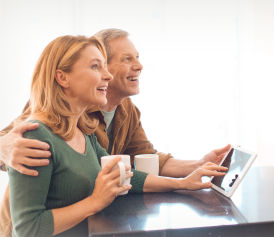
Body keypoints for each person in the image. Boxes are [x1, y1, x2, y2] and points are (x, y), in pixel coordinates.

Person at [0, 29, 230, 236]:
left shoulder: (95, 122)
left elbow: (138, 162)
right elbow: (28, 226)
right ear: (63, 77)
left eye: (137, 58)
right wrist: (3, 146)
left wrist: (187, 176)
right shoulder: (44, 125)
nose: (138, 66)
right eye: (126, 59)